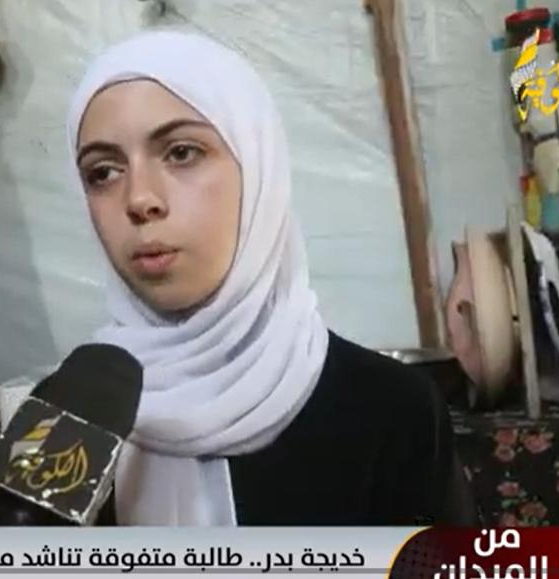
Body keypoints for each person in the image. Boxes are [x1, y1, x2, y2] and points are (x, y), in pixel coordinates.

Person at [65, 31, 471, 526]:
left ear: (259, 167)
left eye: (181, 152)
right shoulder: (70, 417)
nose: (138, 199)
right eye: (103, 173)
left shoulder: (391, 411)